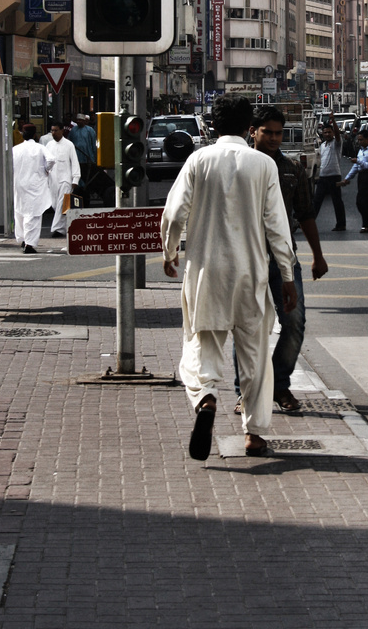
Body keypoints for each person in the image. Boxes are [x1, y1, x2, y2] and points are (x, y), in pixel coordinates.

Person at [160, 94, 296, 460]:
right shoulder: (263, 164)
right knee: (254, 356)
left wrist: (169, 251)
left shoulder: (198, 160)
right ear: (247, 126)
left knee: (201, 345)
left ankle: (205, 397)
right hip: (251, 273)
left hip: (206, 271)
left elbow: (174, 214)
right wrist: (286, 274)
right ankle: (254, 434)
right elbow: (277, 226)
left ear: (212, 126)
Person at [242, 105, 328, 413]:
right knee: (250, 328)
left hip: (284, 259)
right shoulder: (242, 167)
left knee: (295, 322)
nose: (275, 138)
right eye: (269, 133)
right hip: (247, 258)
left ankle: (279, 385)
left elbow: (305, 215)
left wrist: (318, 256)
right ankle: (248, 393)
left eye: (279, 133)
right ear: (253, 131)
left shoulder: (292, 169)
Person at [13, 124, 53, 254]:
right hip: (35, 184)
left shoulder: (15, 149)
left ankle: (23, 239)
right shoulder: (39, 148)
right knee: (33, 214)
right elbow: (51, 159)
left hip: (19, 184)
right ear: (35, 135)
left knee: (20, 212)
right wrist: (46, 170)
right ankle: (29, 244)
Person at [44, 121, 81, 237]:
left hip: (66, 180)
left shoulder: (69, 145)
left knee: (61, 204)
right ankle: (64, 228)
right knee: (55, 205)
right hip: (52, 180)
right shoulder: (49, 145)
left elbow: (75, 162)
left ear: (62, 131)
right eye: (52, 130)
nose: (53, 133)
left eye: (56, 130)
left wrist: (75, 179)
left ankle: (56, 229)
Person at [339, 128, 368, 233]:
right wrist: (347, 178)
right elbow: (355, 167)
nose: (359, 142)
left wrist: (359, 161)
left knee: (361, 201)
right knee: (366, 201)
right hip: (361, 175)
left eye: (361, 140)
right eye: (359, 140)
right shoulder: (361, 150)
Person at [312, 114, 346, 231]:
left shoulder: (337, 143)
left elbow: (337, 134)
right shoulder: (322, 145)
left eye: (329, 132)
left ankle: (341, 224)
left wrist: (334, 121)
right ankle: (310, 223)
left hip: (334, 176)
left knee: (337, 201)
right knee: (317, 201)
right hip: (323, 176)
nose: (327, 134)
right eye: (325, 132)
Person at [68, 113, 97, 202]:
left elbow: (93, 144)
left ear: (84, 121)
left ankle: (86, 189)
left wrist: (94, 157)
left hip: (87, 156)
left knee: (87, 174)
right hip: (76, 156)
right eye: (78, 120)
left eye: (81, 120)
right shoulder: (73, 130)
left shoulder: (90, 130)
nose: (79, 122)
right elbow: (70, 142)